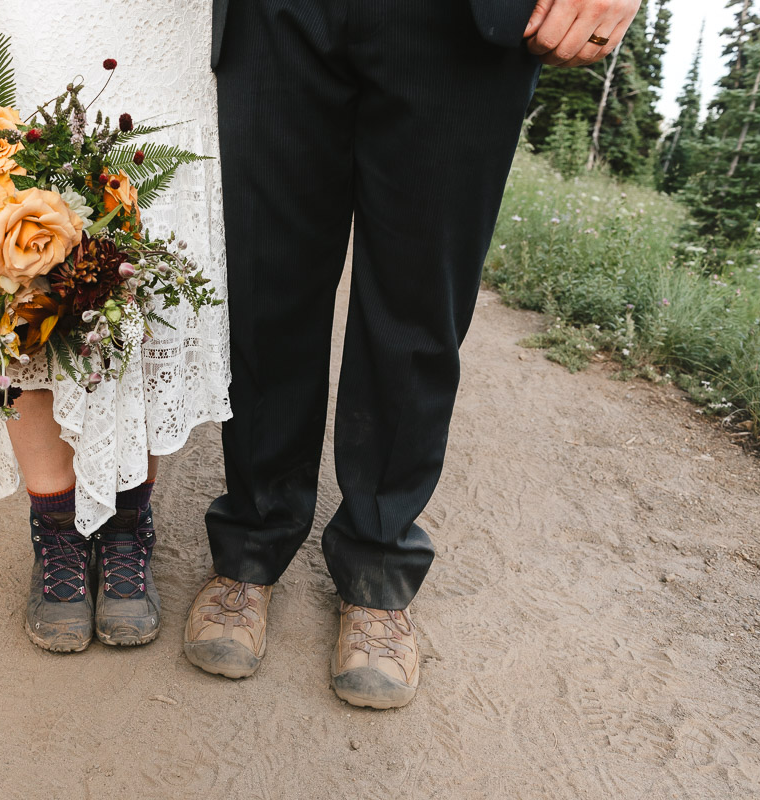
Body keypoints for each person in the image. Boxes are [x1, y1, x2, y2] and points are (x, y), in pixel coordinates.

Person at [182, 0, 639, 709]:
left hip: (461, 21)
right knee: (265, 285)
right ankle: (251, 540)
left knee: (419, 308)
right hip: (278, 15)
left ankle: (377, 564)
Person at [0, 0, 231, 654]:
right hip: (36, 21)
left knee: (144, 267)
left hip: (164, 29)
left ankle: (128, 521)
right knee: (20, 266)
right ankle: (58, 529)